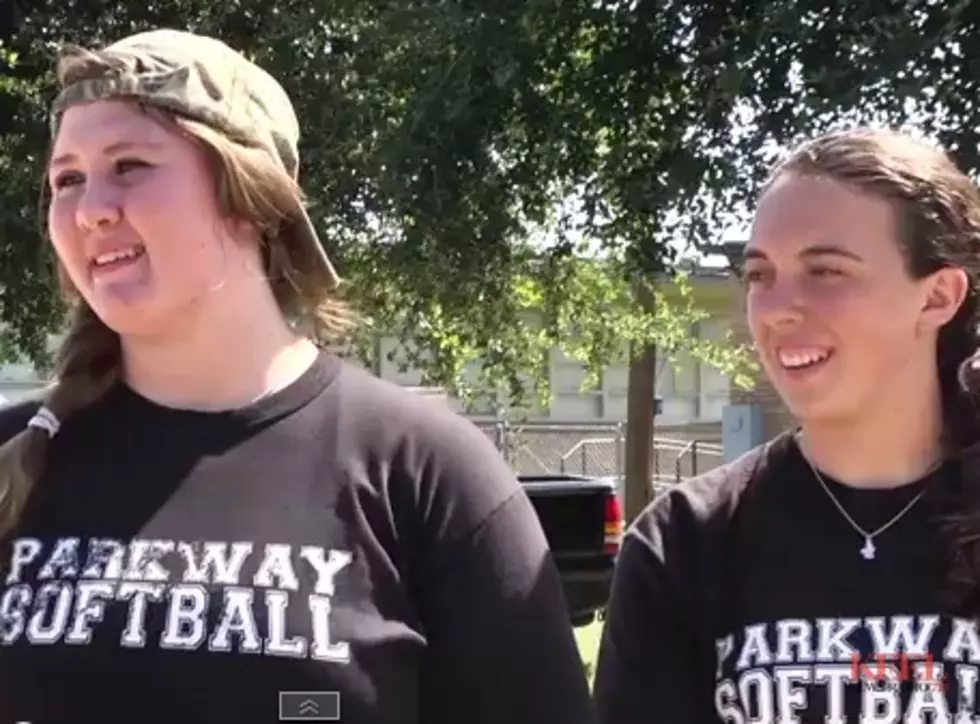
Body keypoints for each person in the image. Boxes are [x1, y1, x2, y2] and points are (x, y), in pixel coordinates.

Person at [0, 28, 595, 724]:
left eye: (129, 164)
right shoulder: (18, 456)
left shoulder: (424, 474)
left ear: (246, 196)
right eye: (66, 178)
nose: (90, 207)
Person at [593, 127, 980, 722]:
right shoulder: (684, 542)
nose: (776, 310)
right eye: (758, 275)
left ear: (937, 297)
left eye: (825, 271)